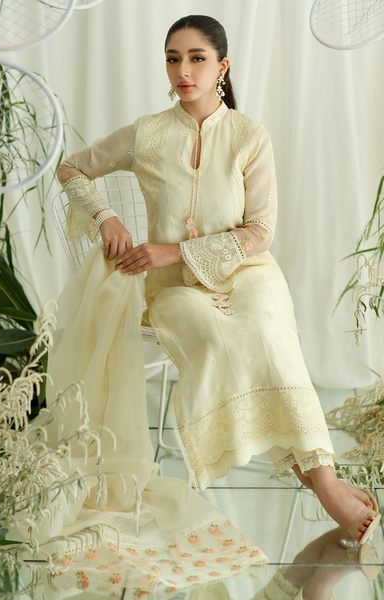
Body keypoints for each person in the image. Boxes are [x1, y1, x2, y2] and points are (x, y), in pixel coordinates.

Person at [50, 14, 380, 594]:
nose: (183, 70)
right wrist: (107, 218)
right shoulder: (147, 134)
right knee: (217, 335)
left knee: (266, 331)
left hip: (247, 273)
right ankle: (316, 477)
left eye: (197, 58)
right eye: (173, 58)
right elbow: (70, 167)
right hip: (173, 288)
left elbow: (260, 231)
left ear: (222, 67)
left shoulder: (250, 135)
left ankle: (322, 480)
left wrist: (172, 247)